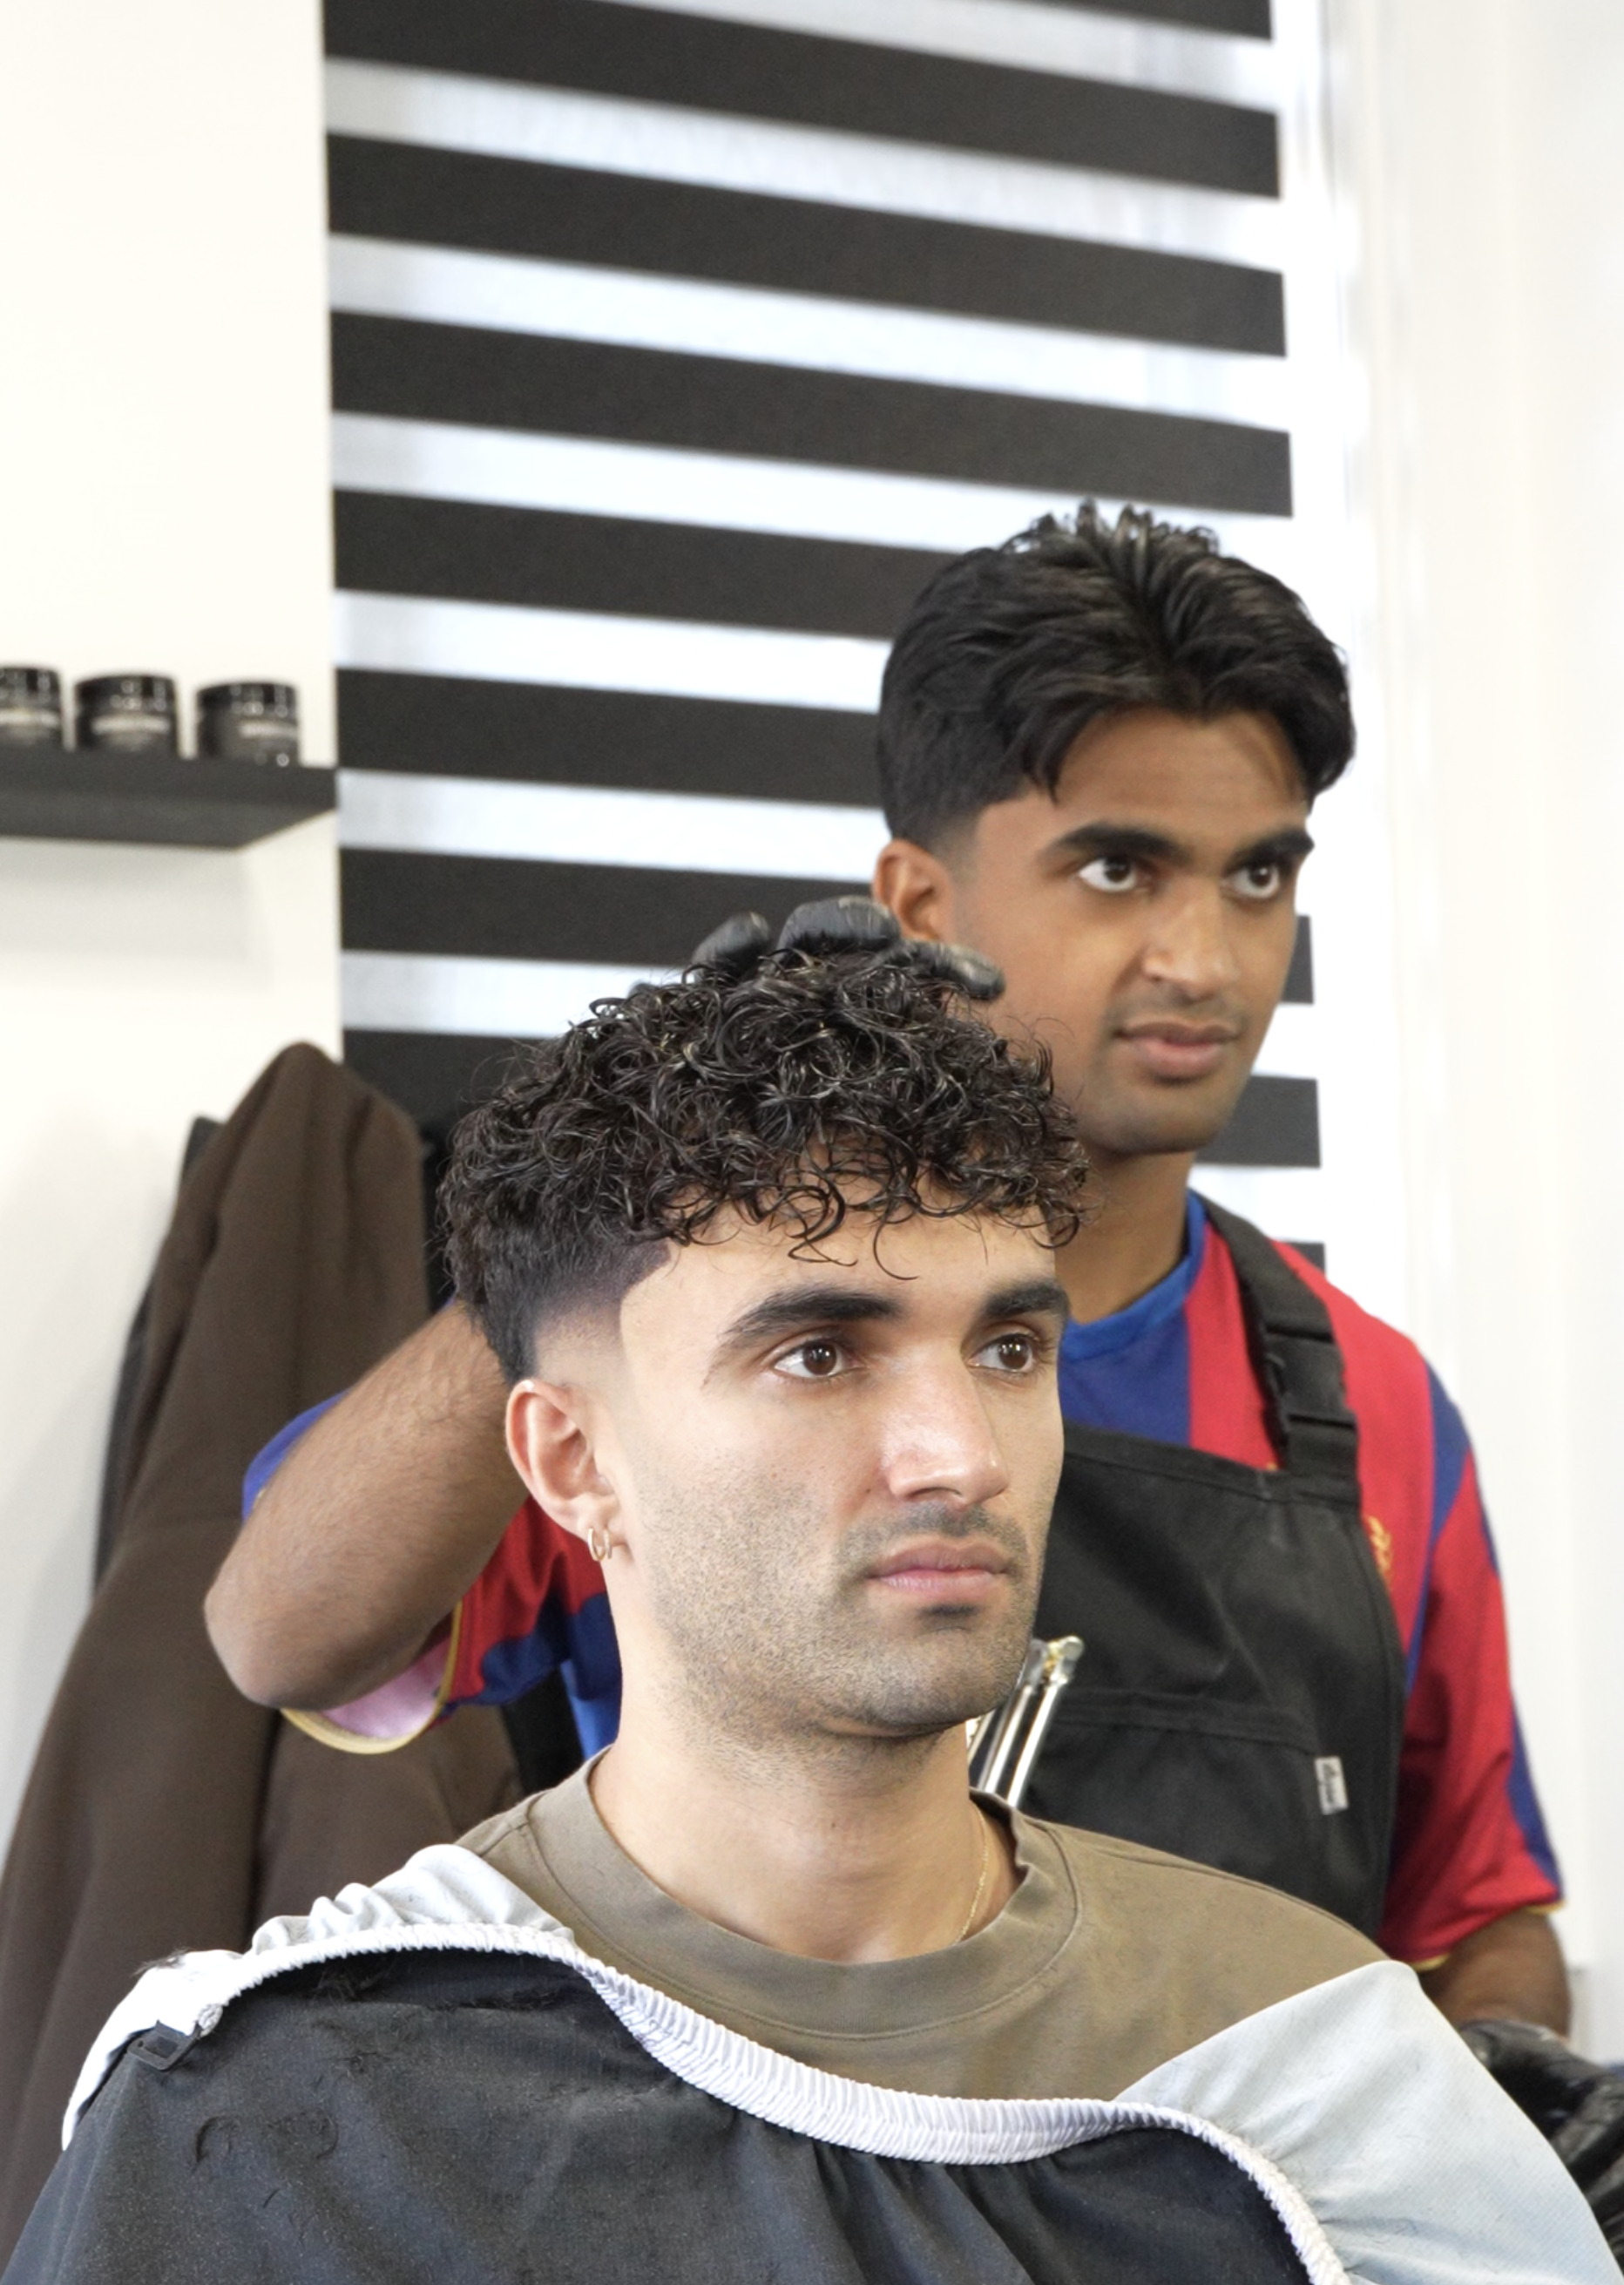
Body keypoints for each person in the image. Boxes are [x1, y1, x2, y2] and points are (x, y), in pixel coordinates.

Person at [7, 945, 1621, 2285]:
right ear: (572, 1463)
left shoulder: (1309, 2063)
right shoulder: (290, 2105)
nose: (963, 1455)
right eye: (819, 1354)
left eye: (1007, 1350)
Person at [206, 505, 1566, 2038]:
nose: (1206, 958)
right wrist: (602, 1208)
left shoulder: (1361, 1395)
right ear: (921, 903)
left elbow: (1477, 1917)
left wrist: (1479, 2143)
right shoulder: (694, 1354)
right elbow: (284, 1635)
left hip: (1241, 2239)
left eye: (1258, 878)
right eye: (1120, 870)